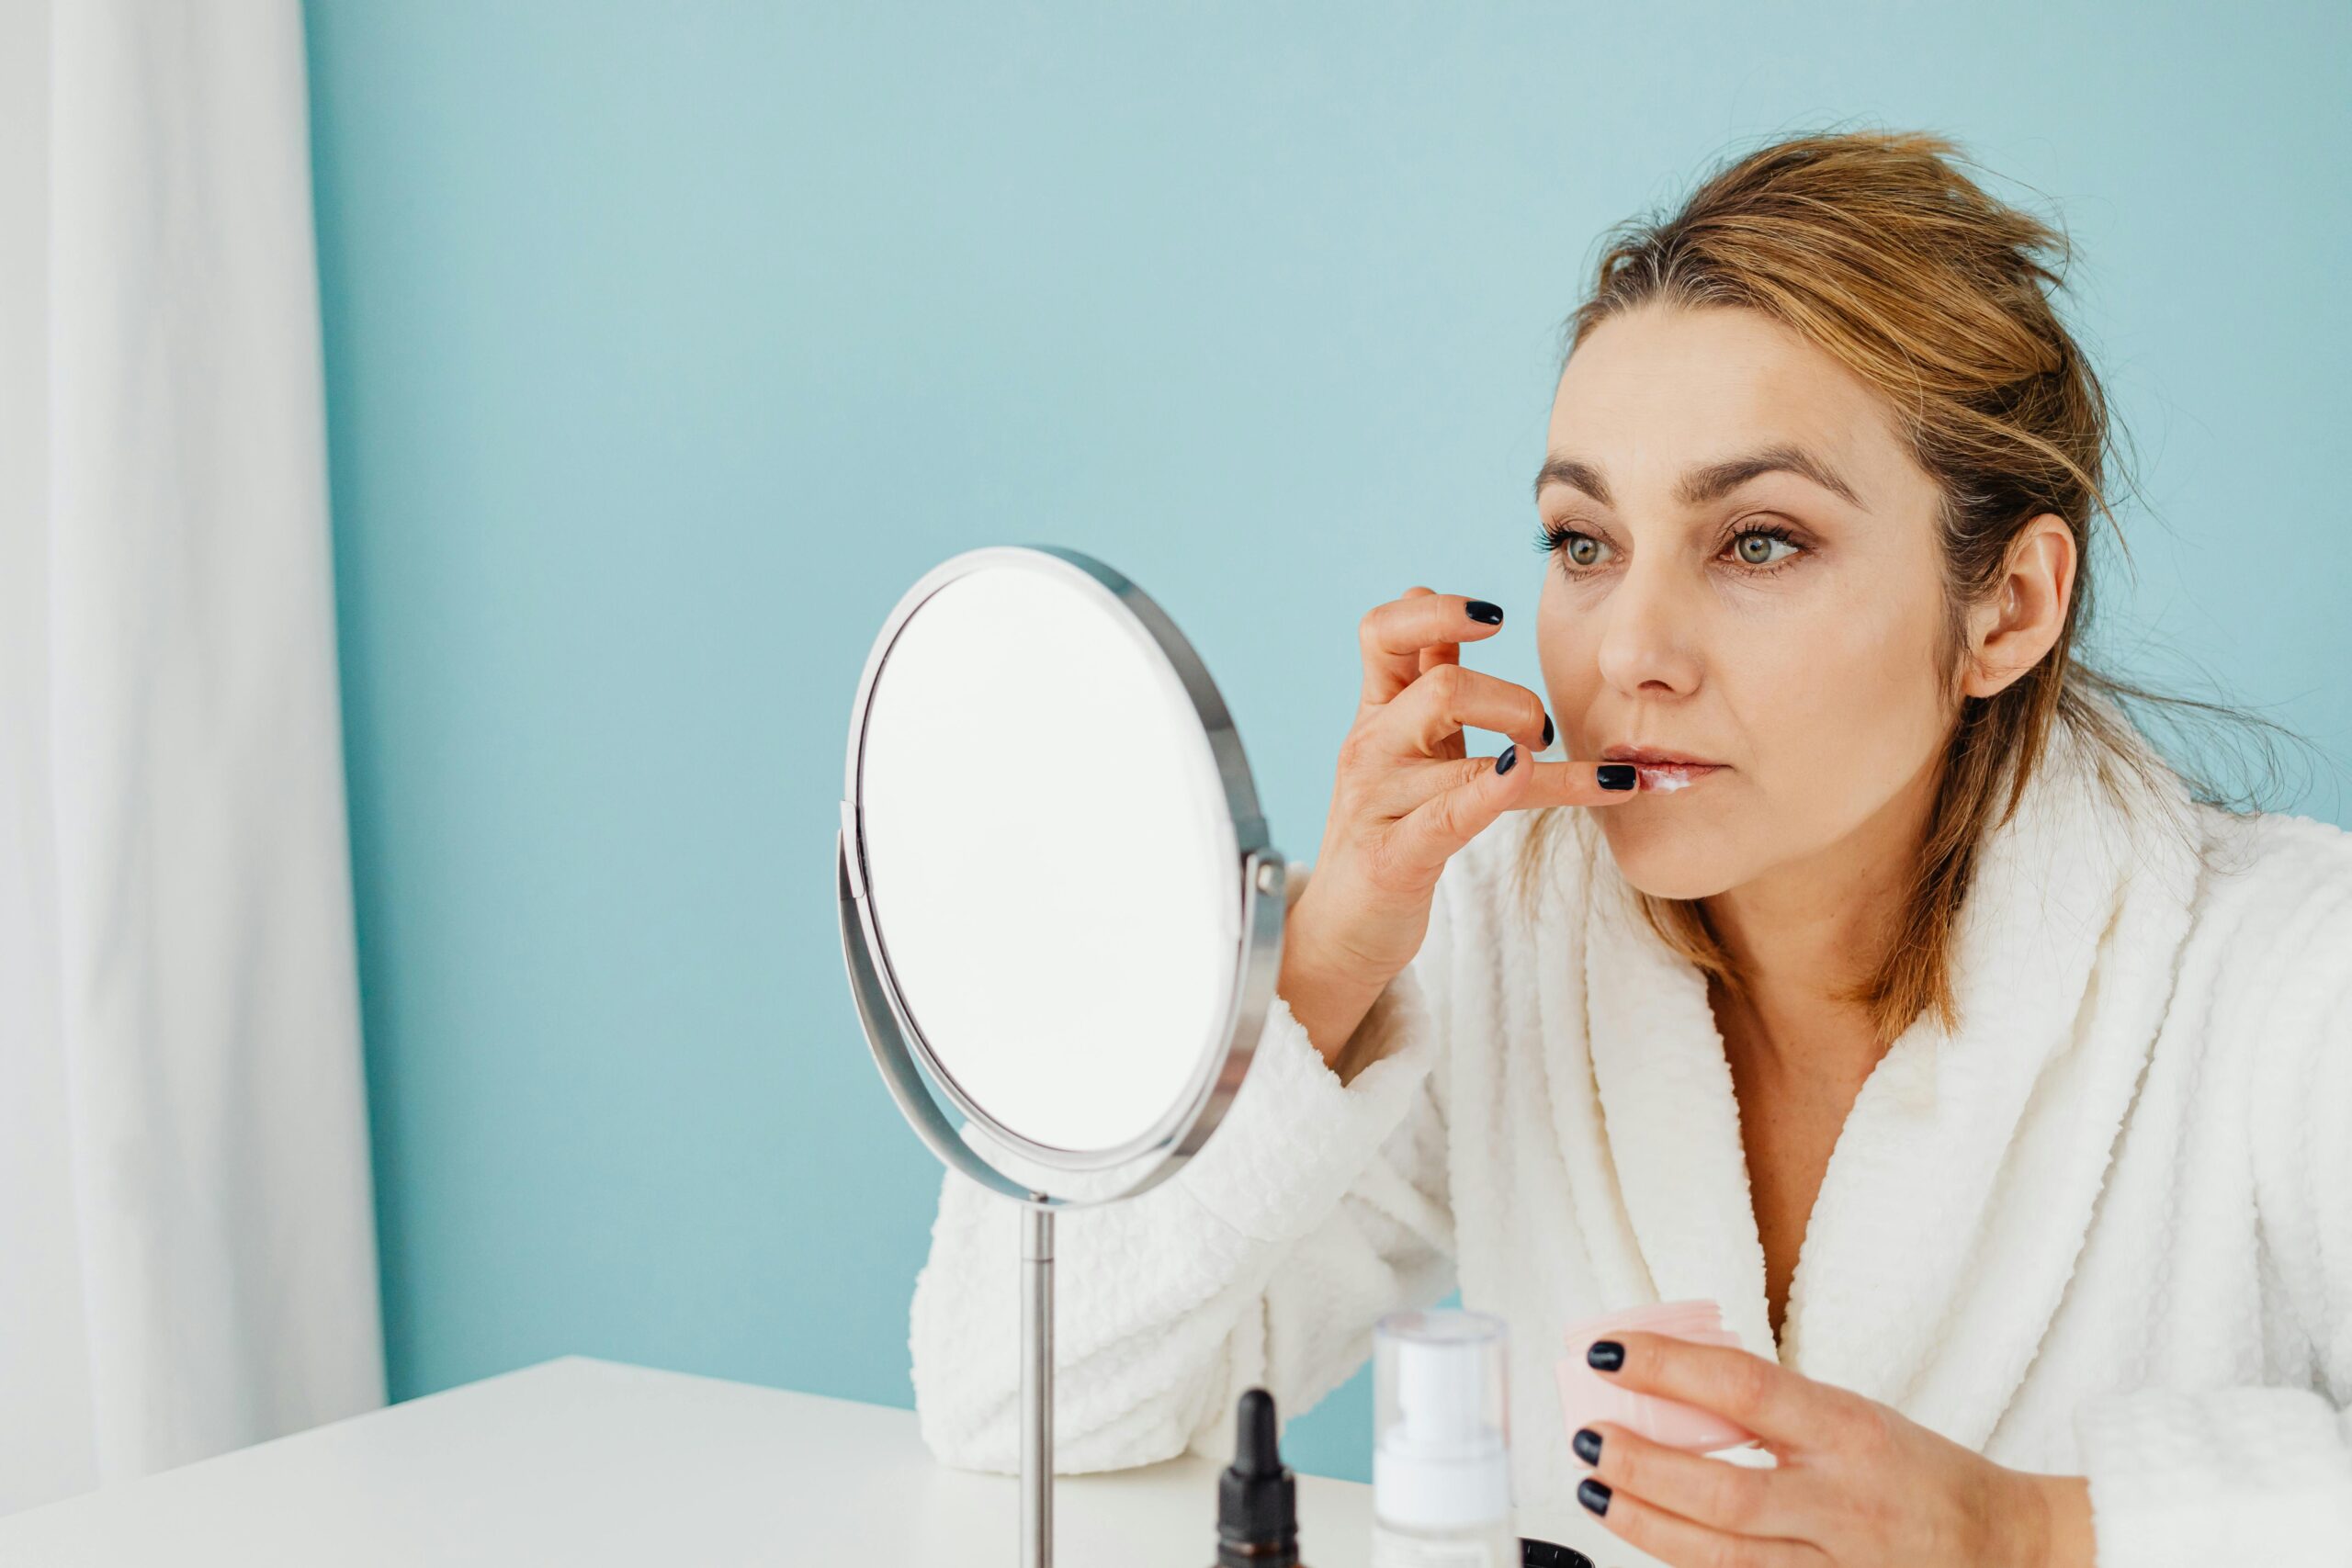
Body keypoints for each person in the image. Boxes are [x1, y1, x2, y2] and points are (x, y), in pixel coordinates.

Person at [906, 129, 2352, 1566]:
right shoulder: (1498, 944)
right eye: (1585, 543)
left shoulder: (2290, 979)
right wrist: (1317, 967)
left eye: (1761, 542)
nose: (1633, 651)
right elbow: (1019, 1406)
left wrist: (2037, 1535)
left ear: (2009, 610)